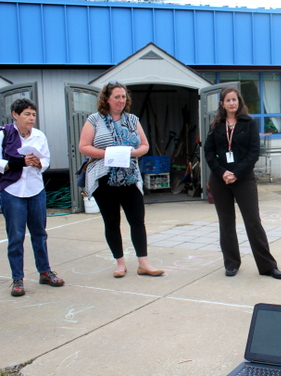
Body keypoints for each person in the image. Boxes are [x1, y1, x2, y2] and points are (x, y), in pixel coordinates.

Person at [79, 82, 163, 278]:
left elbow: (145, 145)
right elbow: (84, 146)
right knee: (112, 222)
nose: (121, 100)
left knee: (137, 221)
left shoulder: (133, 120)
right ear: (106, 99)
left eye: (123, 97)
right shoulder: (94, 120)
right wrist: (107, 154)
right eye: (116, 96)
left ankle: (143, 263)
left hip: (130, 177)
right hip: (104, 179)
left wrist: (132, 153)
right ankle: (120, 263)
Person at [203, 87, 281, 279]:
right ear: (222, 104)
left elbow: (253, 152)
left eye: (234, 100)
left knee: (253, 221)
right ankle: (231, 263)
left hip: (243, 178)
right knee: (226, 222)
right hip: (220, 179)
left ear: (239, 102)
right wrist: (222, 172)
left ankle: (267, 266)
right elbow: (208, 151)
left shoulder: (248, 123)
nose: (231, 103)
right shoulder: (216, 124)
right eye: (228, 100)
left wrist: (236, 174)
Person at [0, 98, 65, 297]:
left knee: (40, 234)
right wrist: (19, 162)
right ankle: (17, 279)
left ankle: (45, 272)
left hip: (36, 189)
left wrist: (38, 163)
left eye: (34, 115)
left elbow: (46, 159)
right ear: (15, 115)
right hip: (12, 190)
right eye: (27, 114)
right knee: (16, 237)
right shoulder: (4, 134)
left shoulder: (39, 136)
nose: (31, 118)